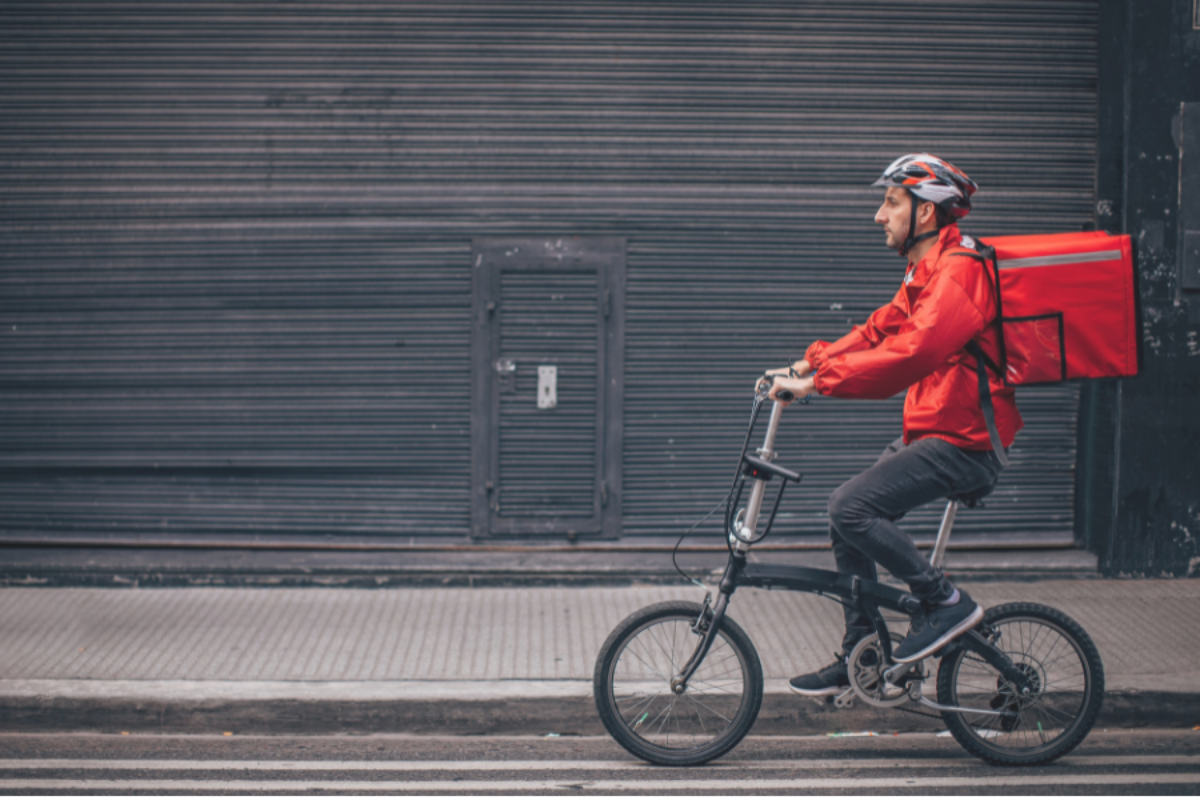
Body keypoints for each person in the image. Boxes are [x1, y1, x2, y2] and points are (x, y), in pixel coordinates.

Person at [760, 154, 1021, 696]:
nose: (880, 215)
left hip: (965, 444)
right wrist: (809, 362)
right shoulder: (929, 268)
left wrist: (820, 384)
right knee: (846, 515)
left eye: (891, 202)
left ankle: (944, 601)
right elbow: (884, 326)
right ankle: (868, 653)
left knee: (849, 507)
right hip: (935, 434)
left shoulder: (961, 271)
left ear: (925, 213)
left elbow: (914, 351)